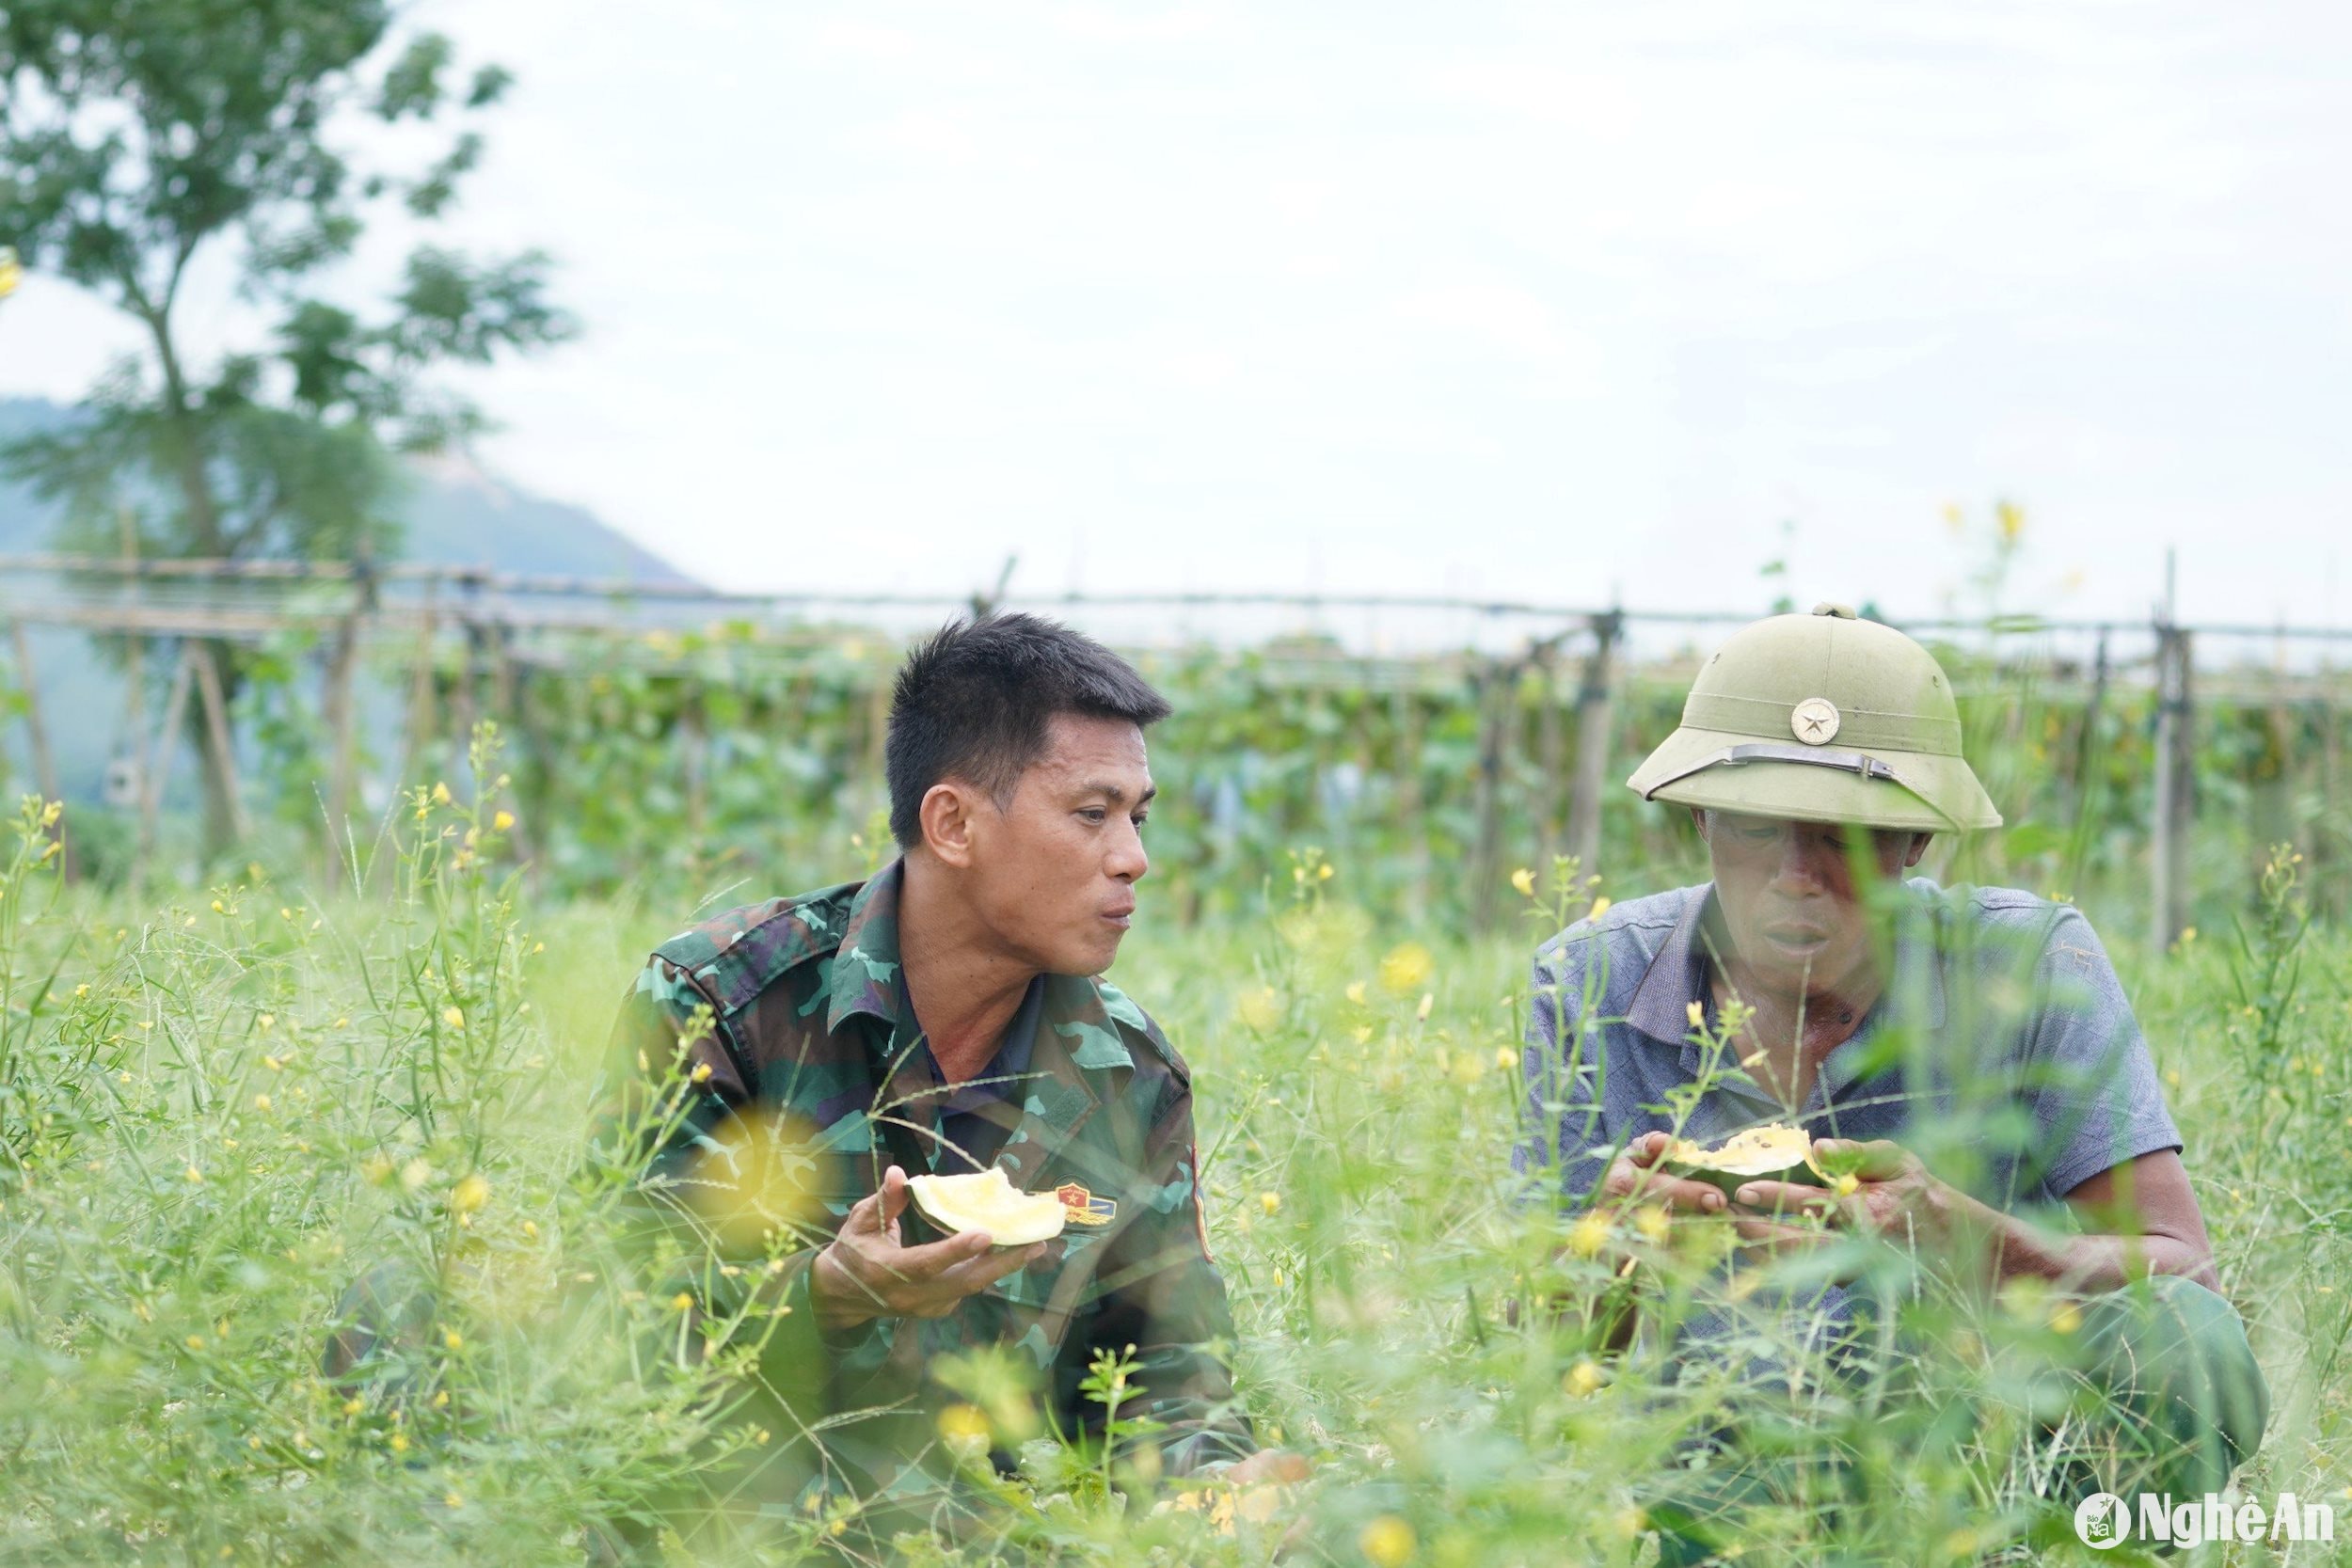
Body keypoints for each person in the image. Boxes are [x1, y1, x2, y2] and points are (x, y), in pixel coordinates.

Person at [1514, 603, 2267, 1558]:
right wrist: (1614, 1254)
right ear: (1699, 815)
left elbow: (2185, 1271)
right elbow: (1525, 1350)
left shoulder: (2032, 963)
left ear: (1917, 842)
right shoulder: (1591, 981)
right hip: (1703, 1466)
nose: (1796, 873)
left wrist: (1977, 1243)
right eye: (1756, 825)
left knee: (2183, 1347)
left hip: (1973, 1458)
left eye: (1845, 833)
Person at [602, 612, 1298, 1544]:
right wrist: (824, 1290)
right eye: (1092, 813)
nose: (1133, 855)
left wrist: (1220, 1486)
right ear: (954, 822)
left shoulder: (1129, 1074)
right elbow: (605, 1311)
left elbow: (1163, 1369)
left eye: (1139, 815)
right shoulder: (723, 1003)